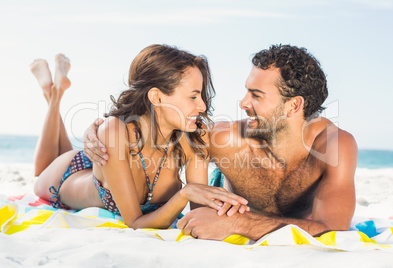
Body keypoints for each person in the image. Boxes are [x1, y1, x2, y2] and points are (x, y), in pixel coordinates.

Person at [84, 44, 358, 239]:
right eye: (246, 91)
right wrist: (96, 130)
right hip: (216, 192)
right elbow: (156, 123)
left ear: (294, 105)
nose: (242, 103)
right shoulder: (224, 139)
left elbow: (333, 229)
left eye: (256, 95)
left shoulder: (333, 147)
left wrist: (241, 224)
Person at [31, 45, 249, 230]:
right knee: (40, 171)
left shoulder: (193, 137)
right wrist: (184, 195)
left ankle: (54, 90)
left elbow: (199, 215)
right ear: (157, 97)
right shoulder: (115, 131)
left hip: (110, 160)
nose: (201, 106)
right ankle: (54, 95)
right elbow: (135, 222)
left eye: (200, 95)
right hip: (68, 175)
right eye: (193, 96)